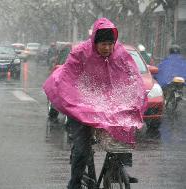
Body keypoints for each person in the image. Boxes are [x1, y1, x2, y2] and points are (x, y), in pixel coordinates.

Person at [43, 18, 147, 189]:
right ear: (94, 42)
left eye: (110, 44)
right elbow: (69, 81)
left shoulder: (120, 54)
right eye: (103, 44)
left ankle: (119, 169)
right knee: (82, 150)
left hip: (106, 104)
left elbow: (132, 78)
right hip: (81, 105)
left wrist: (135, 98)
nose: (107, 48)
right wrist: (80, 105)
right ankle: (74, 183)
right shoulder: (80, 53)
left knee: (125, 129)